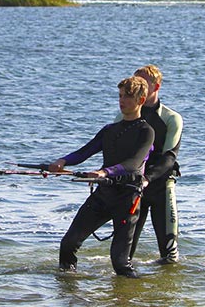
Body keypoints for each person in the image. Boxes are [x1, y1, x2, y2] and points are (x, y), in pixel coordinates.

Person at [48, 76, 154, 278]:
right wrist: (62, 161)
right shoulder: (109, 130)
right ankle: (67, 290)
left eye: (127, 97)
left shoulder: (146, 131)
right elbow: (83, 153)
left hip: (128, 198)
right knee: (68, 244)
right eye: (120, 96)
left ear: (141, 100)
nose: (122, 101)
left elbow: (133, 163)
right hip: (103, 194)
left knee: (120, 262)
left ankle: (134, 295)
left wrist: (105, 172)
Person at [116, 64, 183, 264]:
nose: (139, 86)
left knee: (169, 255)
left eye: (144, 83)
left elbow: (170, 157)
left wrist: (148, 178)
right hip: (133, 186)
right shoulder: (123, 117)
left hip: (161, 186)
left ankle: (166, 292)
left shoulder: (171, 119)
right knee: (126, 251)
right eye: (136, 82)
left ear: (156, 87)